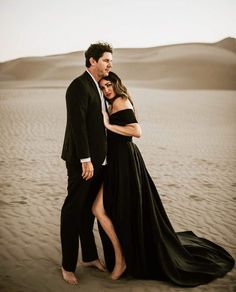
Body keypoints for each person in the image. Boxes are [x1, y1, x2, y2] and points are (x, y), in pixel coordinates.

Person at [92, 71, 235, 287]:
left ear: (117, 84)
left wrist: (108, 125)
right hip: (116, 165)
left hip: (127, 164)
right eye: (103, 87)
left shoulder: (121, 101)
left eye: (109, 85)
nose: (107, 90)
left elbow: (136, 131)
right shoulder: (111, 104)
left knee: (100, 209)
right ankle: (123, 259)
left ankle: (121, 261)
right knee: (104, 210)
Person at [60, 42, 113, 285]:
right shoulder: (78, 87)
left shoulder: (98, 87)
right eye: (105, 60)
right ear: (92, 61)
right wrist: (85, 160)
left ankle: (89, 256)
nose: (109, 64)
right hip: (83, 162)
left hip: (99, 162)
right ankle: (68, 265)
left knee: (87, 212)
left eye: (110, 60)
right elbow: (77, 126)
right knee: (73, 210)